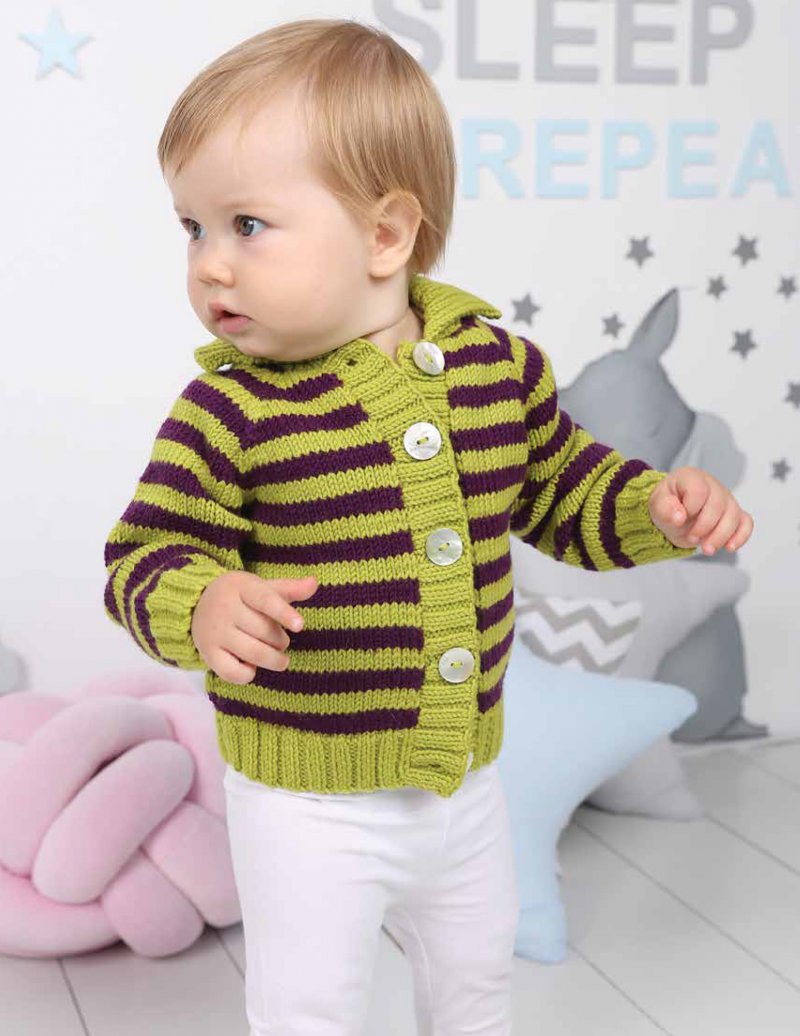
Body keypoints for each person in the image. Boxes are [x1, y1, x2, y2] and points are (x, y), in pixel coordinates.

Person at [102, 18, 753, 1036]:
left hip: (465, 787)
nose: (211, 265)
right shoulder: (228, 412)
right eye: (193, 228)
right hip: (307, 803)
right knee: (309, 1007)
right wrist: (202, 600)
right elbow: (143, 554)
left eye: (246, 225)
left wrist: (655, 509)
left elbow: (564, 493)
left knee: (474, 985)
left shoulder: (496, 368)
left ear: (385, 236)